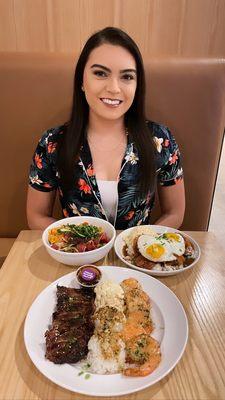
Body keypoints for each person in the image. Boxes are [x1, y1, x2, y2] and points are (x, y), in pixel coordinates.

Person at [27, 27, 185, 230]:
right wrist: (79, 245)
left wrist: (141, 245)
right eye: (100, 73)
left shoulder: (160, 140)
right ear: (82, 81)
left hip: (134, 259)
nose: (114, 88)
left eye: (127, 77)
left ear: (137, 85)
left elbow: (175, 212)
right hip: (77, 259)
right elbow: (36, 215)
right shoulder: (53, 142)